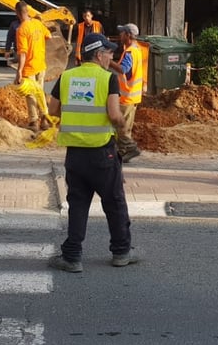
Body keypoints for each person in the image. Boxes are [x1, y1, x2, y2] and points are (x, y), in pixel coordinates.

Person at [47, 32, 138, 273]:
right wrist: (122, 128)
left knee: (77, 203)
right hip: (102, 154)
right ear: (98, 55)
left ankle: (72, 257)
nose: (111, 56)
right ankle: (120, 253)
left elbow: (53, 109)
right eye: (109, 52)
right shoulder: (108, 79)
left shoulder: (67, 76)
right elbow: (115, 115)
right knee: (114, 202)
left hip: (75, 155)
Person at [13, 1, 52, 131]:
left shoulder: (22, 29)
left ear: (17, 13)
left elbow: (23, 53)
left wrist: (19, 71)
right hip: (41, 64)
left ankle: (34, 121)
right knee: (40, 92)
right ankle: (44, 120)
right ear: (28, 11)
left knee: (30, 94)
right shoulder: (38, 24)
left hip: (29, 67)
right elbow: (49, 36)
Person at [113, 23, 147, 162]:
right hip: (132, 97)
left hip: (126, 97)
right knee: (125, 128)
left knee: (120, 127)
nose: (120, 35)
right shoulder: (137, 50)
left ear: (128, 35)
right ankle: (122, 153)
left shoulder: (130, 52)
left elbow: (123, 69)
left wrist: (109, 62)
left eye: (122, 33)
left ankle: (131, 148)